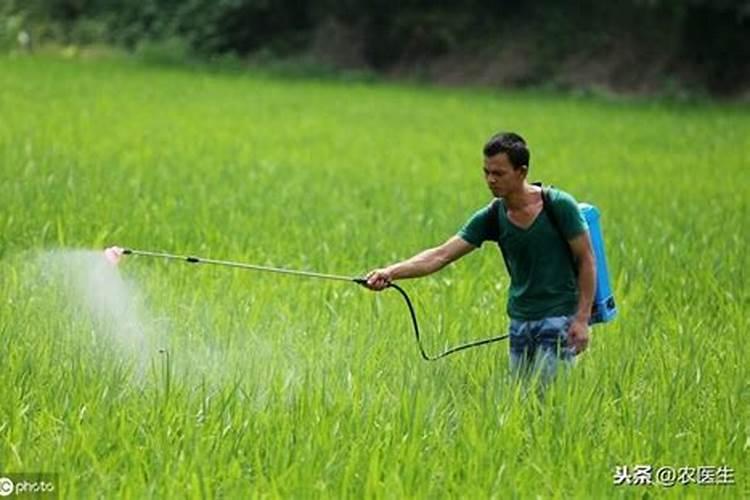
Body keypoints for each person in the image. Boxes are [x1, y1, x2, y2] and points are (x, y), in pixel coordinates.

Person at [364, 132, 596, 384]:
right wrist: (390, 272)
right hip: (519, 321)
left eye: (499, 173)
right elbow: (440, 255)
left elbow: (586, 260)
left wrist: (582, 319)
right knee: (522, 403)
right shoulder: (493, 215)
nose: (490, 180)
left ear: (521, 172)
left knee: (551, 404)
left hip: (559, 319)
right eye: (486, 172)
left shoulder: (559, 205)